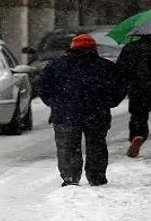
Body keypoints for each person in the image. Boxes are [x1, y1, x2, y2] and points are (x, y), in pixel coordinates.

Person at [38, 34, 126, 187]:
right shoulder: (105, 66)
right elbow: (119, 88)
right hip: (97, 113)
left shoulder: (56, 65)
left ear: (72, 48)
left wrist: (53, 103)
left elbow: (43, 87)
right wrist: (109, 103)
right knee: (96, 145)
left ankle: (70, 177)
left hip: (65, 114)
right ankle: (96, 177)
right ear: (94, 48)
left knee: (68, 147)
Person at [113, 35, 151, 157]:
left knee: (138, 115)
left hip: (138, 88)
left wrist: (124, 86)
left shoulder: (131, 48)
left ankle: (137, 135)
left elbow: (120, 71)